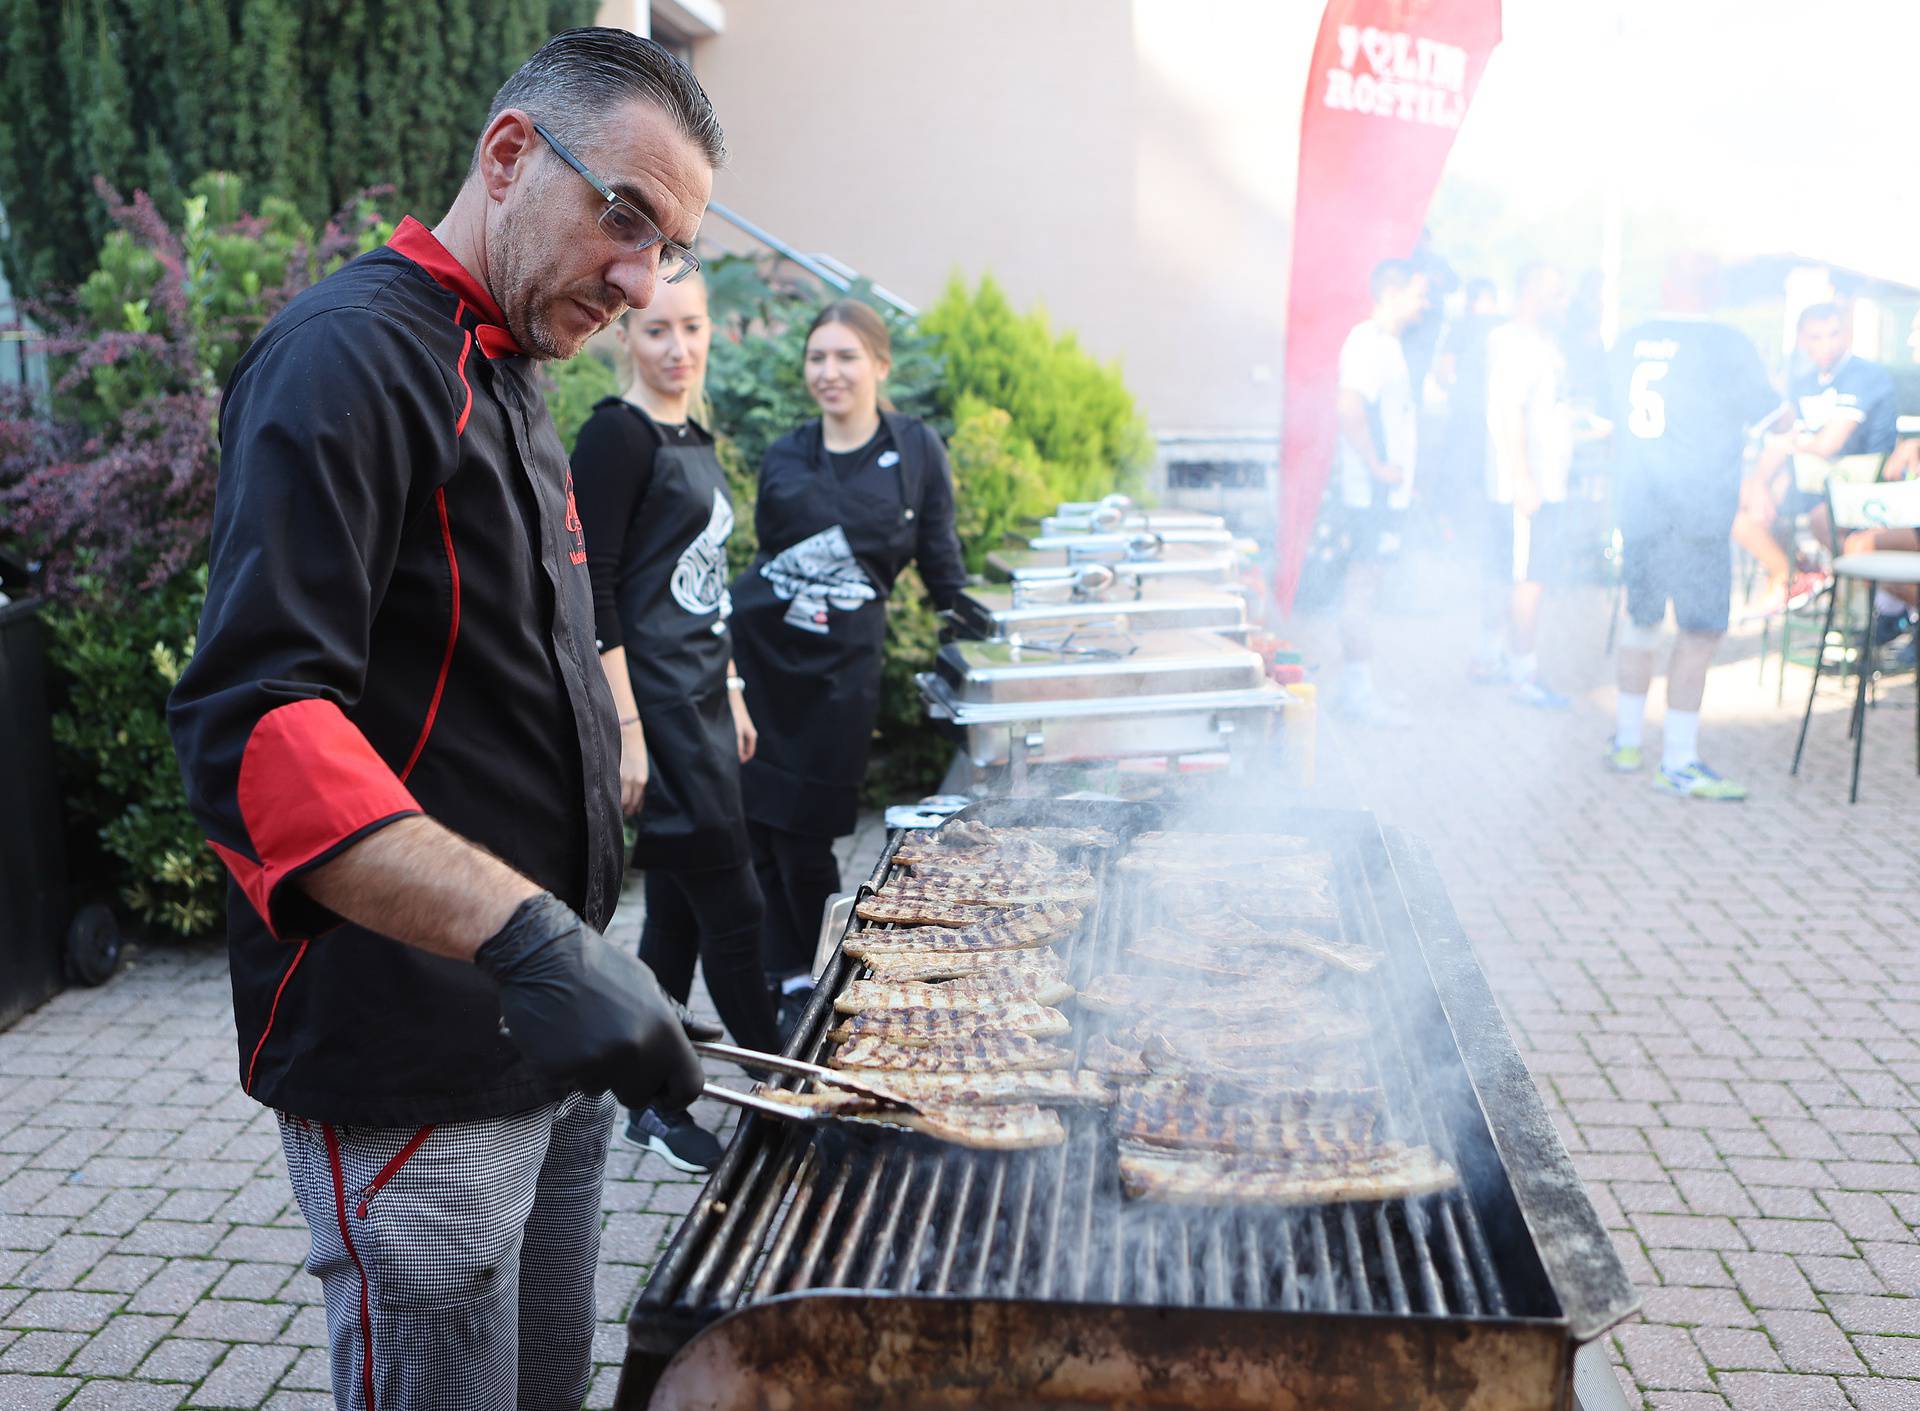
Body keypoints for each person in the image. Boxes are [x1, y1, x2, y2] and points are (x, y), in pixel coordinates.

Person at [166, 30, 722, 1410]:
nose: (644, 276)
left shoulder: (520, 370)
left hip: (550, 1031)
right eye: (628, 218)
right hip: (416, 1055)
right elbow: (258, 729)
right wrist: (533, 933)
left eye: (672, 247)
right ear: (511, 153)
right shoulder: (342, 357)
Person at [571, 272, 779, 1174]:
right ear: (627, 336)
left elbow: (707, 580)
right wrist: (627, 725)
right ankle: (783, 1090)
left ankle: (656, 1101)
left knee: (683, 918)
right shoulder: (615, 437)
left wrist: (731, 685)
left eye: (692, 328)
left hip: (702, 698)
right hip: (652, 702)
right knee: (735, 904)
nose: (678, 348)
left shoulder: (693, 432)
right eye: (657, 331)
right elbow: (594, 587)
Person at [730, 301, 967, 1020]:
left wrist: (971, 634)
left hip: (842, 675)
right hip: (764, 656)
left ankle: (818, 969)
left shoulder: (916, 447)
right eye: (817, 358)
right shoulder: (786, 452)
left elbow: (941, 560)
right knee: (762, 829)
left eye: (846, 356)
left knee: (806, 835)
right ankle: (787, 978)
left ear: (879, 366)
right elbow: (770, 557)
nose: (829, 372)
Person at [1606, 256, 1788, 800]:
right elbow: (1776, 419)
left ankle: (1626, 741)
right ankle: (1679, 763)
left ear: (1665, 283)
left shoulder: (1629, 340)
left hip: (1639, 506)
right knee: (1701, 631)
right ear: (1713, 288)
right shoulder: (1725, 344)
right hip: (1696, 511)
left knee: (1640, 623)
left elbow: (1611, 423)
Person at [1732, 302, 1897, 615]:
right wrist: (1758, 484)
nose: (1826, 344)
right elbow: (1785, 437)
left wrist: (1791, 444)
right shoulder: (1802, 380)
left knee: (1822, 517)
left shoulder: (1864, 374)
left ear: (1847, 335)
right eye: (1816, 337)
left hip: (1863, 486)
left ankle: (1874, 606)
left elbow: (1828, 443)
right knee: (1739, 504)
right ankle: (1791, 574)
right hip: (1814, 482)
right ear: (1801, 340)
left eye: (1833, 335)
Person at [1472, 262, 1576, 708]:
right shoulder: (1515, 345)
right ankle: (1523, 674)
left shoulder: (1541, 343)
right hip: (1528, 487)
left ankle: (1487, 658)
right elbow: (1507, 412)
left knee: (1506, 574)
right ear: (1531, 294)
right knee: (1529, 580)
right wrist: (1522, 478)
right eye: (1556, 292)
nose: (1564, 301)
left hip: (1537, 481)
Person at [1332, 257, 1429, 727]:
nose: (1424, 305)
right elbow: (1349, 408)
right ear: (1392, 294)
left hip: (1383, 494)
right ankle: (1357, 694)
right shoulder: (1368, 343)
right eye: (1419, 294)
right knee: (1362, 587)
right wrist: (1376, 466)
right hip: (1369, 495)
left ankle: (1357, 684)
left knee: (1368, 586)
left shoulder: (1387, 345)